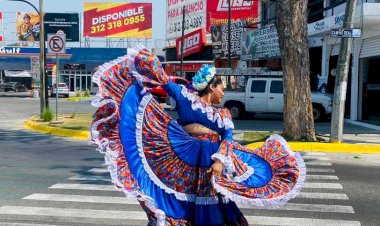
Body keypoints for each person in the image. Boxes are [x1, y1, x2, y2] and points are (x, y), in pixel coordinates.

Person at [90, 47, 306, 225]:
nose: (224, 93)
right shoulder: (186, 99)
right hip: (185, 160)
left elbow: (228, 138)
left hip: (211, 163)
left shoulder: (224, 114)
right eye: (222, 88)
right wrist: (145, 60)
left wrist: (220, 160)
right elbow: (164, 81)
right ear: (211, 87)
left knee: (213, 203)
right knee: (182, 201)